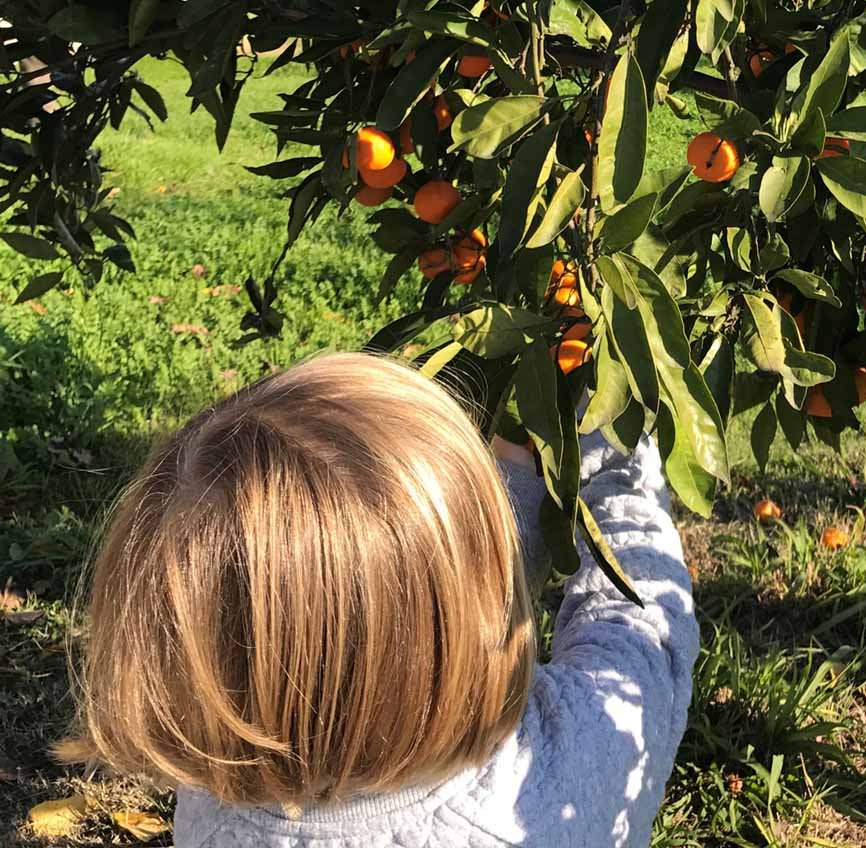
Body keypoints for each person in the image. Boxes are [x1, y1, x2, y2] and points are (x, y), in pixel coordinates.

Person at [63, 352, 699, 846]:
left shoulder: (215, 800)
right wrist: (613, 450)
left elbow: (431, 592)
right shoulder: (570, 766)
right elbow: (642, 627)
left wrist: (514, 471)